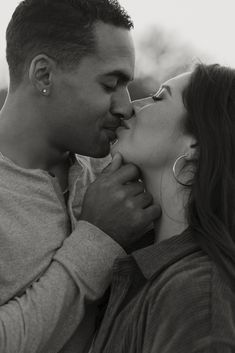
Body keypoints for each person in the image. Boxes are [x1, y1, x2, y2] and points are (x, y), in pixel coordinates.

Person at [0, 0, 160, 352]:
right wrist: (98, 240)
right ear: (44, 74)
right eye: (110, 84)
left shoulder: (113, 173)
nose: (126, 106)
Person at [92, 63, 235, 353]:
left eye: (159, 97)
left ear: (196, 144)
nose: (131, 108)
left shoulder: (196, 294)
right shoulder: (145, 267)